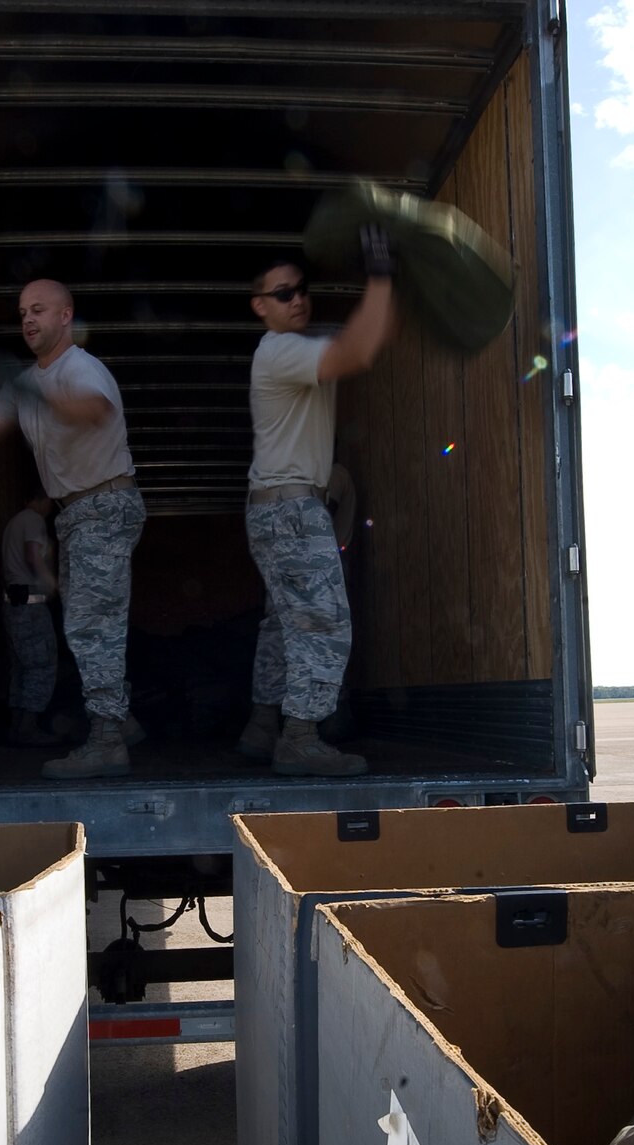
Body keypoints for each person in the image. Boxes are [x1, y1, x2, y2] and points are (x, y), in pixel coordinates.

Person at [0, 280, 143, 779]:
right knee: (88, 622)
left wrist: (39, 394)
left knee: (93, 625)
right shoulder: (25, 381)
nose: (28, 319)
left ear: (66, 315)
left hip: (105, 503)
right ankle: (122, 722)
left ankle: (110, 739)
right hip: (76, 513)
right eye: (23, 312)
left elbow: (94, 410)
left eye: (39, 310)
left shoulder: (80, 369)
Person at [239, 232, 396, 776]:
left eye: (303, 290)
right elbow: (358, 349)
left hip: (273, 508)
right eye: (283, 294)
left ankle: (263, 727)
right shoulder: (283, 351)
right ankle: (300, 736)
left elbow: (349, 339)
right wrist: (379, 277)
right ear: (261, 306)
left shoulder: (291, 348)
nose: (298, 300)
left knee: (282, 626)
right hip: (291, 511)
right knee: (324, 622)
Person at [1, 491, 59, 747]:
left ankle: (16, 728)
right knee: (42, 664)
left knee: (21, 668)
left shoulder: (14, 522)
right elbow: (33, 554)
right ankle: (28, 728)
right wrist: (51, 583)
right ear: (43, 499)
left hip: (13, 605)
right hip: (31, 604)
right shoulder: (33, 520)